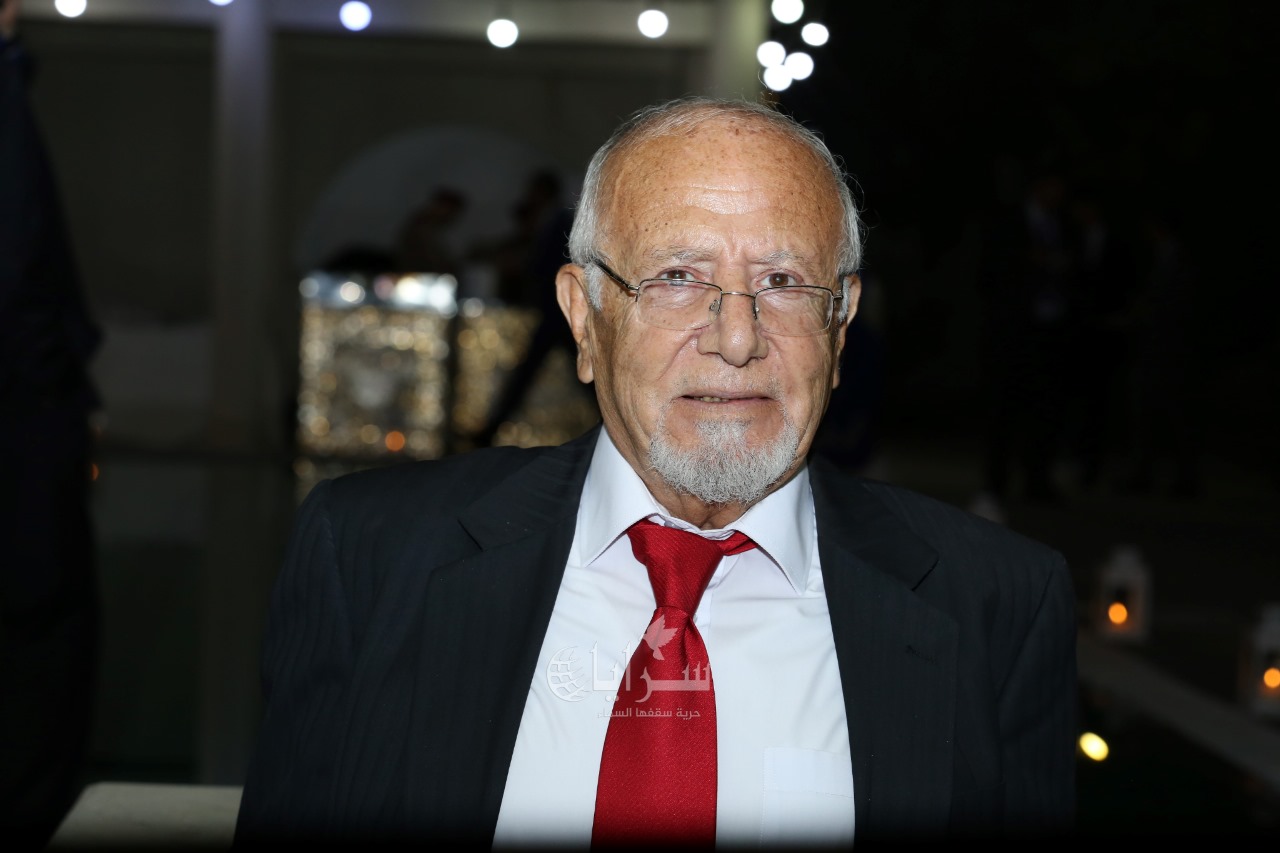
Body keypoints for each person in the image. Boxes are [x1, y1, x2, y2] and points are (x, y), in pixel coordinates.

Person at [235, 96, 1077, 848]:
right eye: (678, 277)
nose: (737, 339)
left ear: (841, 322)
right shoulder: (371, 557)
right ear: (585, 317)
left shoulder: (995, 605)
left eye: (783, 282)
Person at [1, 0, 102, 845]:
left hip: (30, 403)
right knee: (43, 623)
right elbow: (18, 261)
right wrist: (55, 390)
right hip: (23, 415)